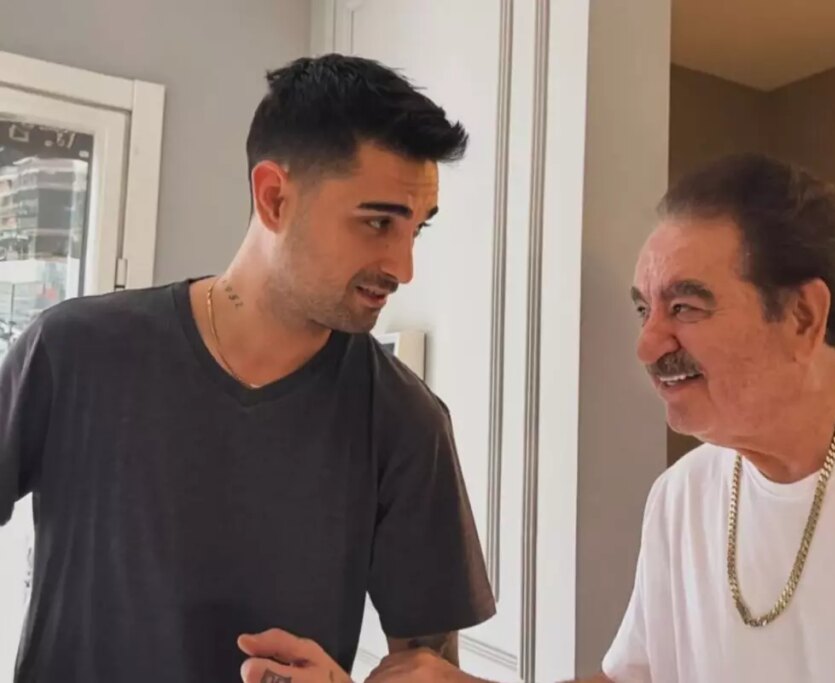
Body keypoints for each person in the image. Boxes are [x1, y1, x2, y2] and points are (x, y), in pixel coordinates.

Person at [364, 153, 835, 683]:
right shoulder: (680, 497)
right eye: (644, 309)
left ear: (803, 316)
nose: (648, 345)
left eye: (685, 307)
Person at [0, 54, 496, 682]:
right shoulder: (73, 351)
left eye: (416, 230)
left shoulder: (407, 421)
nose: (403, 267)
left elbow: (426, 669)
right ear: (274, 198)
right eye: (377, 223)